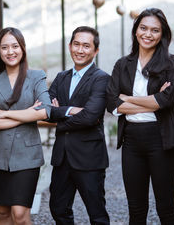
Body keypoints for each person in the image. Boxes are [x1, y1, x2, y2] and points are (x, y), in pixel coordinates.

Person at [106, 8, 174, 225]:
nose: (148, 34)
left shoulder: (171, 63)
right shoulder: (123, 64)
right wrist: (151, 102)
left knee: (165, 209)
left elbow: (166, 101)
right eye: (143, 28)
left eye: (155, 30)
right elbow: (112, 103)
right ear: (136, 30)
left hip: (162, 141)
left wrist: (127, 99)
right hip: (131, 142)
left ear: (162, 34)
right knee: (136, 211)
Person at [0, 27, 51, 225]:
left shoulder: (36, 77)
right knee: (2, 214)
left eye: (15, 46)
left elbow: (44, 111)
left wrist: (4, 113)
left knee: (20, 215)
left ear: (23, 48)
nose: (10, 51)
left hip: (27, 157)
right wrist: (26, 115)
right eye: (4, 47)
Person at [48, 26, 110, 225]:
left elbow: (91, 117)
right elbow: (47, 110)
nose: (80, 50)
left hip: (89, 158)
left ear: (95, 51)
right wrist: (70, 110)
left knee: (97, 215)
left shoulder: (101, 78)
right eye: (76, 44)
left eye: (86, 46)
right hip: (62, 158)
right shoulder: (60, 78)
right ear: (70, 46)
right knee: (58, 210)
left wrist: (60, 119)